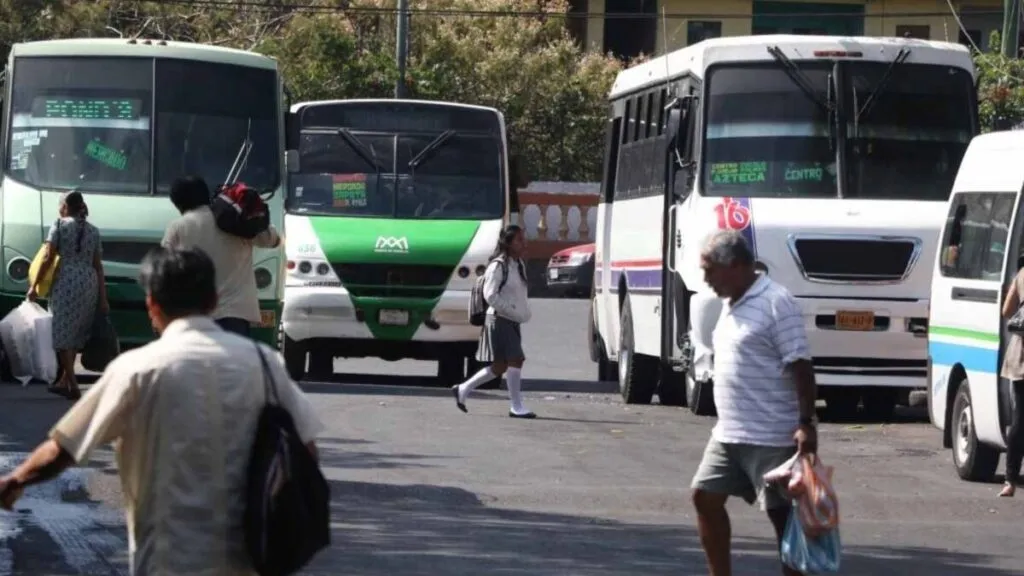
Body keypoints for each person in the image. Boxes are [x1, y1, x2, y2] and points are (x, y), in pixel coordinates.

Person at [0, 246, 324, 575]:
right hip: (249, 561)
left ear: (152, 304)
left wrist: (14, 481)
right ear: (213, 300)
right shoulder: (265, 364)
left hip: (166, 562)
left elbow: (64, 449)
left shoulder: (138, 370)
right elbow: (306, 450)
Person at [689, 230, 818, 576]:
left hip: (771, 436)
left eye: (709, 270)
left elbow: (802, 367)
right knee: (704, 496)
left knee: (785, 521)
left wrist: (806, 423)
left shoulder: (777, 302)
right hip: (729, 434)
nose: (706, 280)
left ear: (735, 266)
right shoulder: (731, 303)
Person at [161, 176, 281, 338]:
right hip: (235, 316)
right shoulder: (234, 220)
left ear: (178, 203)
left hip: (194, 317)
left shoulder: (177, 228)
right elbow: (272, 240)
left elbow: (163, 272)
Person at [28, 191, 107, 400]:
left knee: (62, 335)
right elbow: (98, 267)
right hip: (88, 284)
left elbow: (47, 257)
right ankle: (64, 380)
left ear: (64, 207)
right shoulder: (93, 231)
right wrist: (103, 297)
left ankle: (72, 385)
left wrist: (34, 285)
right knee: (75, 333)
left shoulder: (60, 225)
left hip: (66, 281)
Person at [452, 224, 535, 418]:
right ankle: (516, 406)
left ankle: (462, 389)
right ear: (508, 243)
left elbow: (518, 295)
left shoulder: (518, 264)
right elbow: (490, 295)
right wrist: (511, 311)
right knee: (516, 359)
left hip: (511, 320)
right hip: (499, 320)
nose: (524, 243)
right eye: (519, 240)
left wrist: (522, 312)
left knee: (500, 366)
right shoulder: (498, 266)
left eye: (524, 239)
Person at [1000, 266, 1024, 497]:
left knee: (1019, 421)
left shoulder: (1022, 273)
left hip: (1020, 357)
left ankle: (1010, 480)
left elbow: (1007, 311)